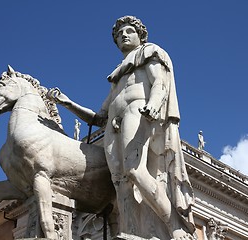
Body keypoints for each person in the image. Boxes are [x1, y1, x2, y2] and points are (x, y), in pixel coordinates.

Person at [47, 16, 196, 239]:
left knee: (134, 170)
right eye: (119, 35)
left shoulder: (149, 53)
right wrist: (68, 103)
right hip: (114, 124)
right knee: (121, 183)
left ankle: (174, 226)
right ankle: (130, 232)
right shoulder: (118, 77)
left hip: (138, 111)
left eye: (128, 31)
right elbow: (98, 118)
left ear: (140, 35)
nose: (123, 36)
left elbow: (160, 84)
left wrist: (153, 105)